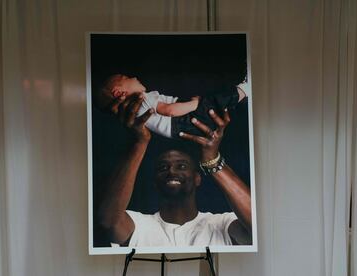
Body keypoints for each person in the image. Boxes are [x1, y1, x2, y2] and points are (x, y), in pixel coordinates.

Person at [98, 94, 252, 247]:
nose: (171, 171)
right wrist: (140, 142)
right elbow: (108, 222)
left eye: (182, 166)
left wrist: (212, 159)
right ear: (154, 181)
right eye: (163, 167)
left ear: (197, 178)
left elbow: (256, 225)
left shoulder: (222, 224)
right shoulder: (139, 225)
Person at [94, 74, 250, 139]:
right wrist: (196, 104)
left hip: (179, 127)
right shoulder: (142, 99)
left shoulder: (134, 110)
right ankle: (245, 89)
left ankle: (242, 95)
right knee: (213, 101)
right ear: (118, 92)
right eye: (126, 77)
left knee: (215, 105)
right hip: (181, 121)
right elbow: (170, 111)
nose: (134, 77)